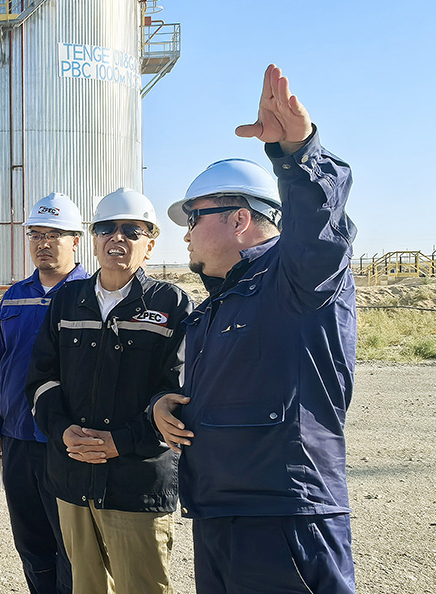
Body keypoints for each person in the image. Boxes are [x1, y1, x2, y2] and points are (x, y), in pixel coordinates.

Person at [152, 64, 357, 593]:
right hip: (220, 513)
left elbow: (320, 230)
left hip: (284, 518)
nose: (186, 235)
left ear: (239, 219)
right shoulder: (215, 306)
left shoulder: (295, 279)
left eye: (194, 218)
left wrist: (299, 156)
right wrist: (164, 405)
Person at [26, 188, 193, 594]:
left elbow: (178, 394)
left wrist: (120, 442)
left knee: (142, 587)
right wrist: (62, 430)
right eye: (106, 228)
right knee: (85, 587)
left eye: (132, 230)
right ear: (94, 238)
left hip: (135, 485)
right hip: (73, 478)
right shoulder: (67, 301)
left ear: (150, 244)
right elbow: (41, 379)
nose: (117, 237)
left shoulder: (172, 305)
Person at [0, 192, 89, 594]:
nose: (43, 243)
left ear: (75, 240)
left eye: (54, 235)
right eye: (36, 235)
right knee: (30, 542)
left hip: (65, 442)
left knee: (73, 546)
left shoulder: (89, 295)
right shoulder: (16, 295)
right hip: (16, 440)